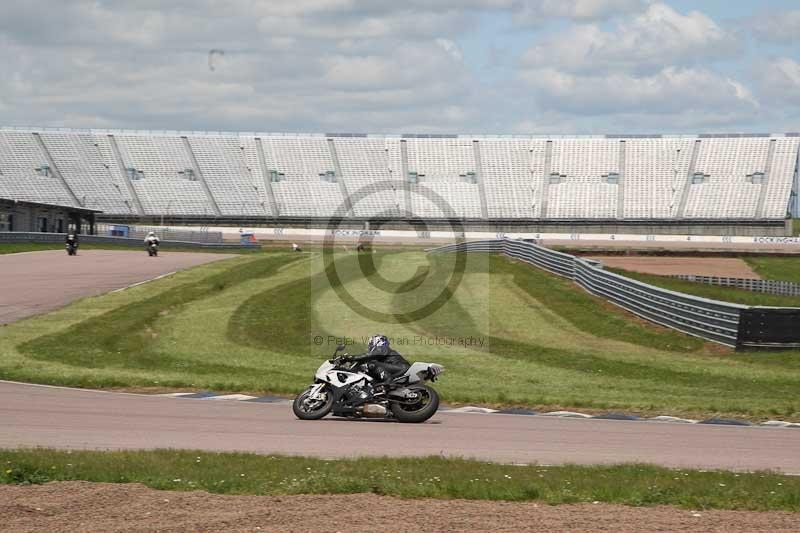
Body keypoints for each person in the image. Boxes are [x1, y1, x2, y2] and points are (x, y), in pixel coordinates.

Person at [345, 334, 410, 387]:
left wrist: (351, 357)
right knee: (371, 366)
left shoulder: (383, 348)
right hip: (399, 368)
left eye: (371, 343)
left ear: (377, 342)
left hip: (401, 368)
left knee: (372, 364)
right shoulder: (383, 351)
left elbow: (369, 355)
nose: (370, 346)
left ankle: (389, 381)